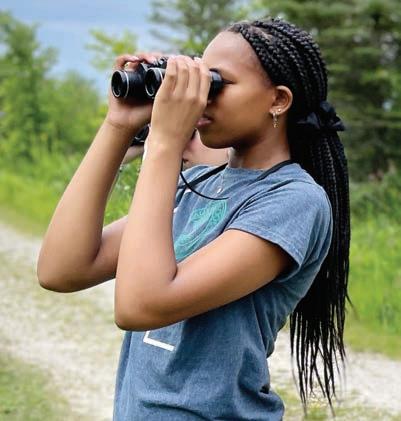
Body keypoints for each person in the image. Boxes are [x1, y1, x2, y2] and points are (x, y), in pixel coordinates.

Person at [37, 16, 350, 420]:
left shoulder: (294, 201)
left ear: (277, 100)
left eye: (216, 83)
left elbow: (139, 306)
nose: (201, 97)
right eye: (199, 78)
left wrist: (165, 141)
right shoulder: (199, 185)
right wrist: (118, 126)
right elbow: (61, 269)